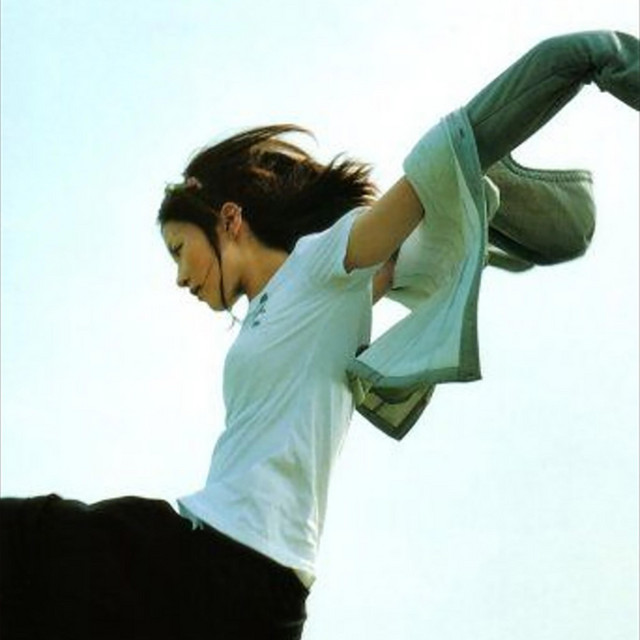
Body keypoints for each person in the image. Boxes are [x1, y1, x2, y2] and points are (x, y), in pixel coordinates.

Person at [1, 30, 638, 640]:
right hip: (259, 599)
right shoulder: (292, 304)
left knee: (24, 541)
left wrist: (588, 56)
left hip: (214, 561)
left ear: (228, 219)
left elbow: (444, 157)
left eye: (178, 249)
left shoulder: (321, 265)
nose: (179, 277)